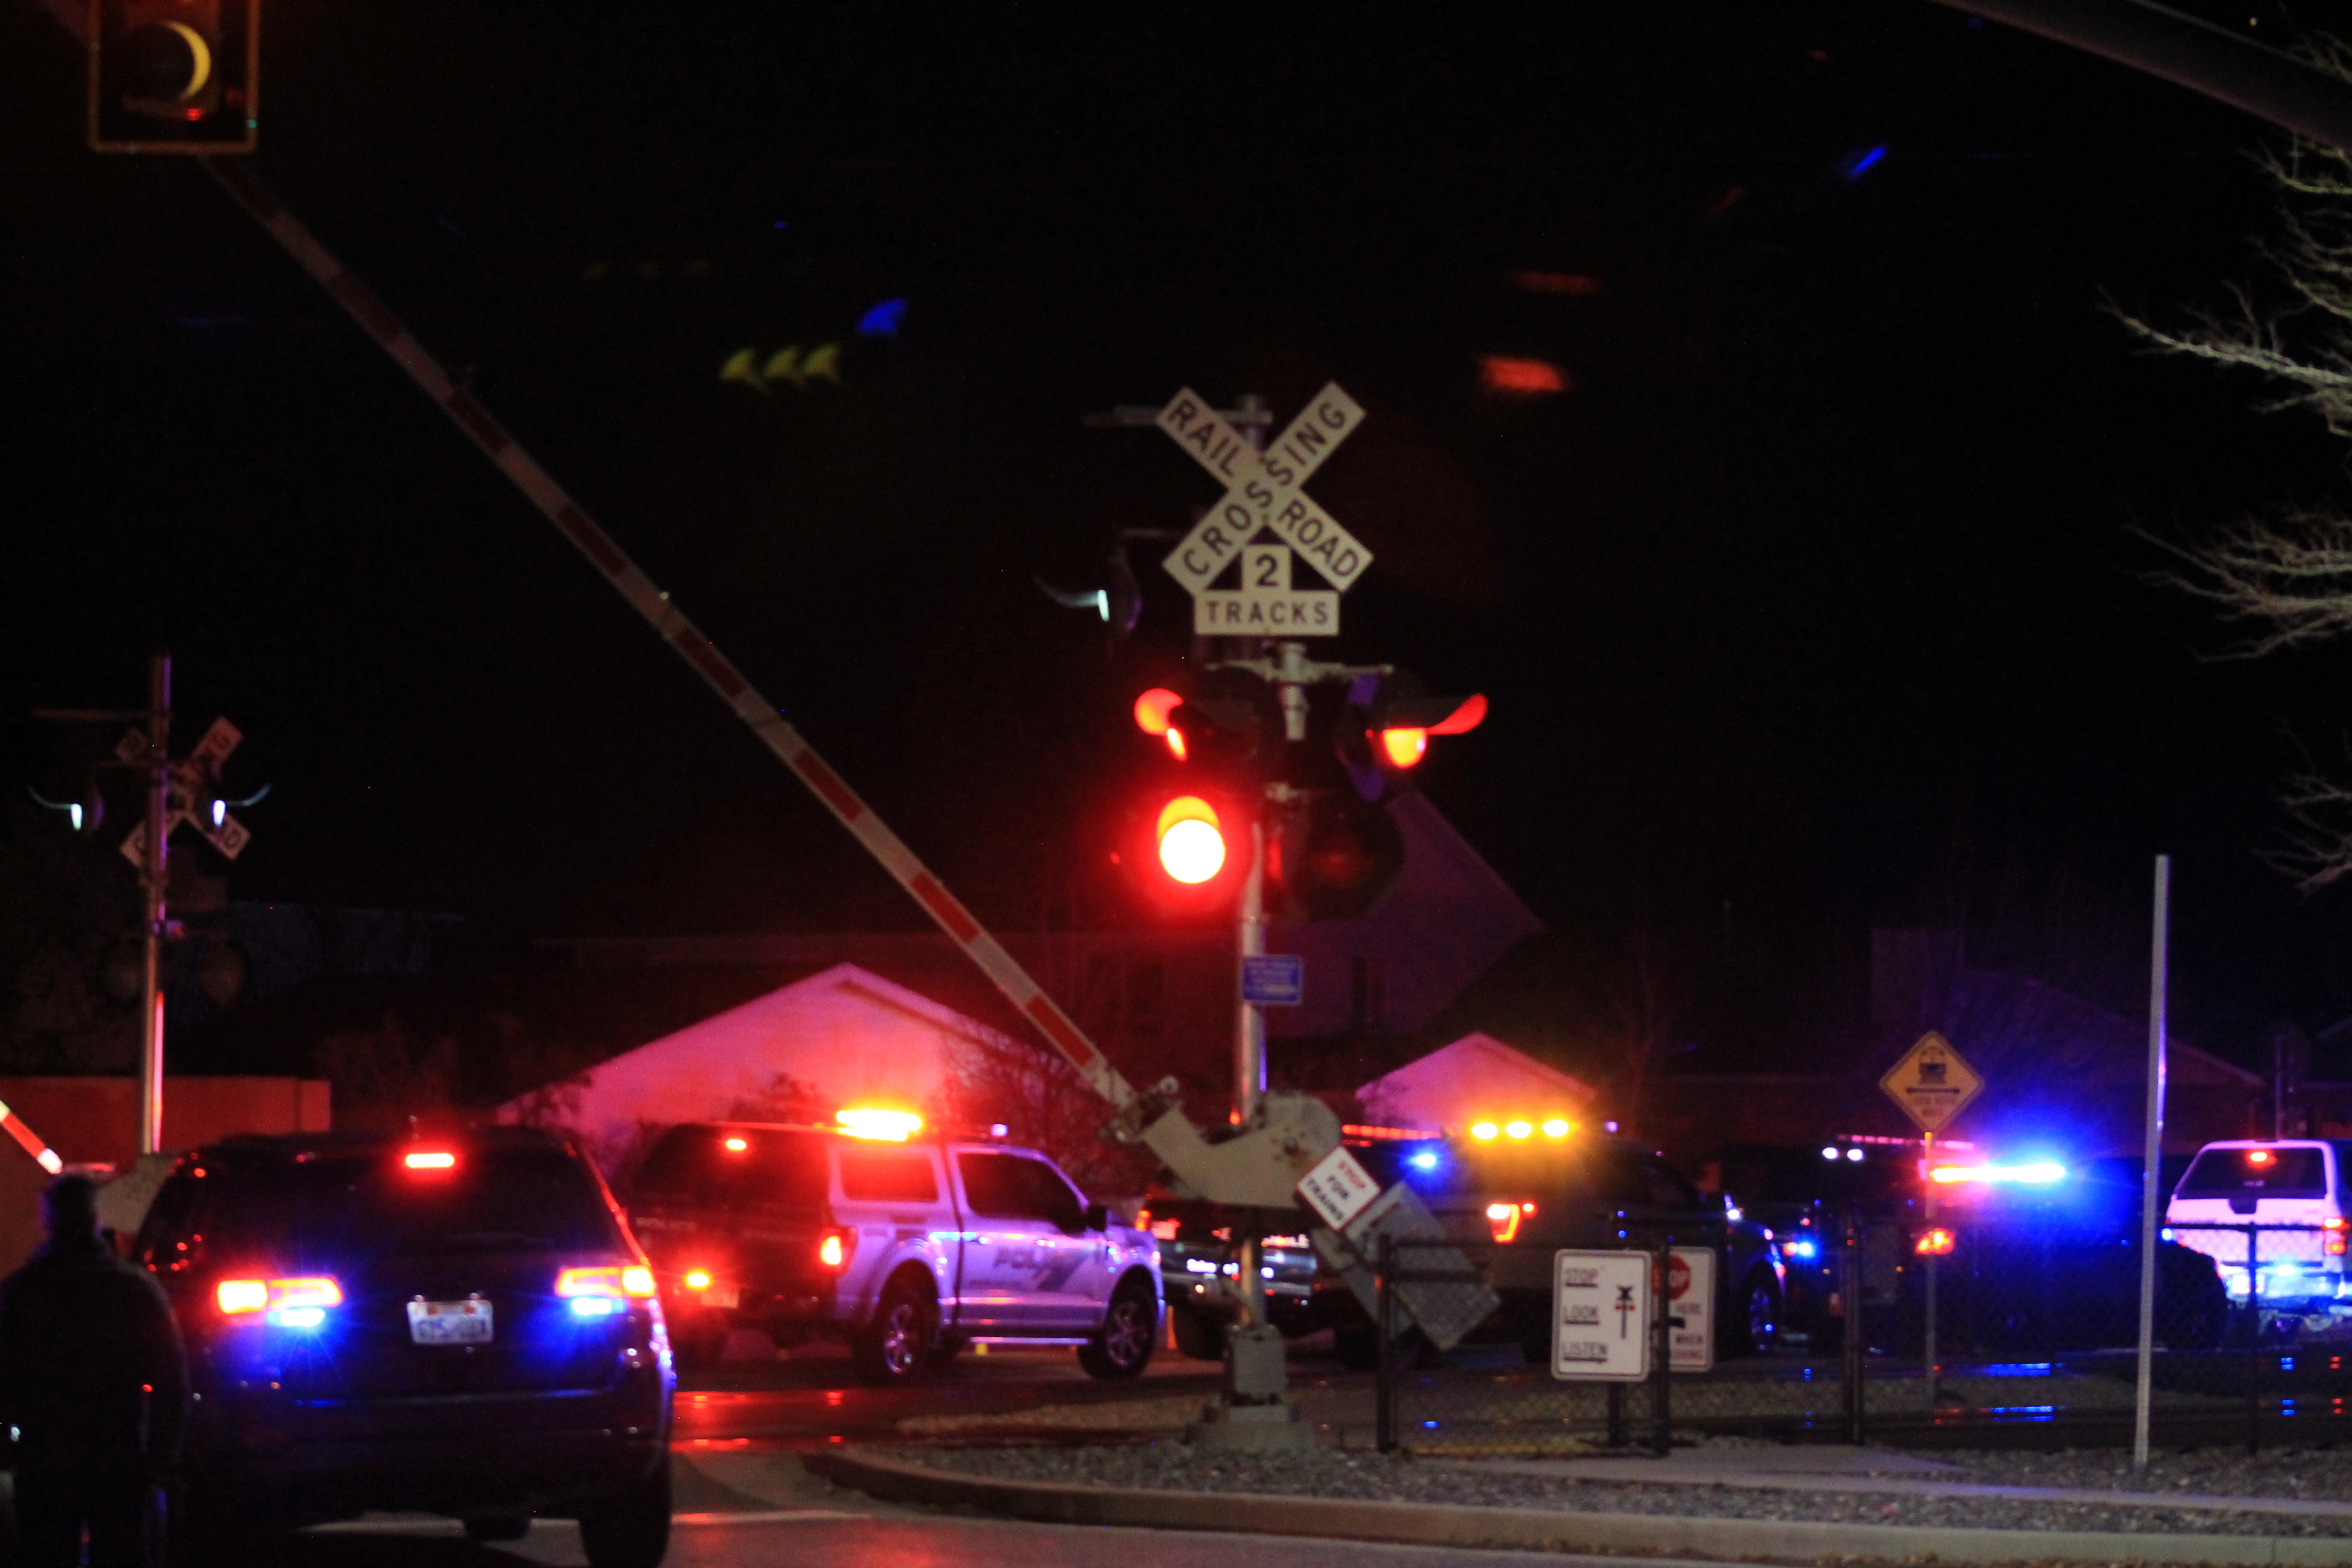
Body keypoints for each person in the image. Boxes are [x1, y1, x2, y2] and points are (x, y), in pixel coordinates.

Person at [0, 1172, 189, 1567]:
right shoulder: (135, 1289)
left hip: (46, 1460)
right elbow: (172, 1381)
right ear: (96, 1219)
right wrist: (159, 1461)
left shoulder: (24, 1292)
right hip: (120, 1458)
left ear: (48, 1220)